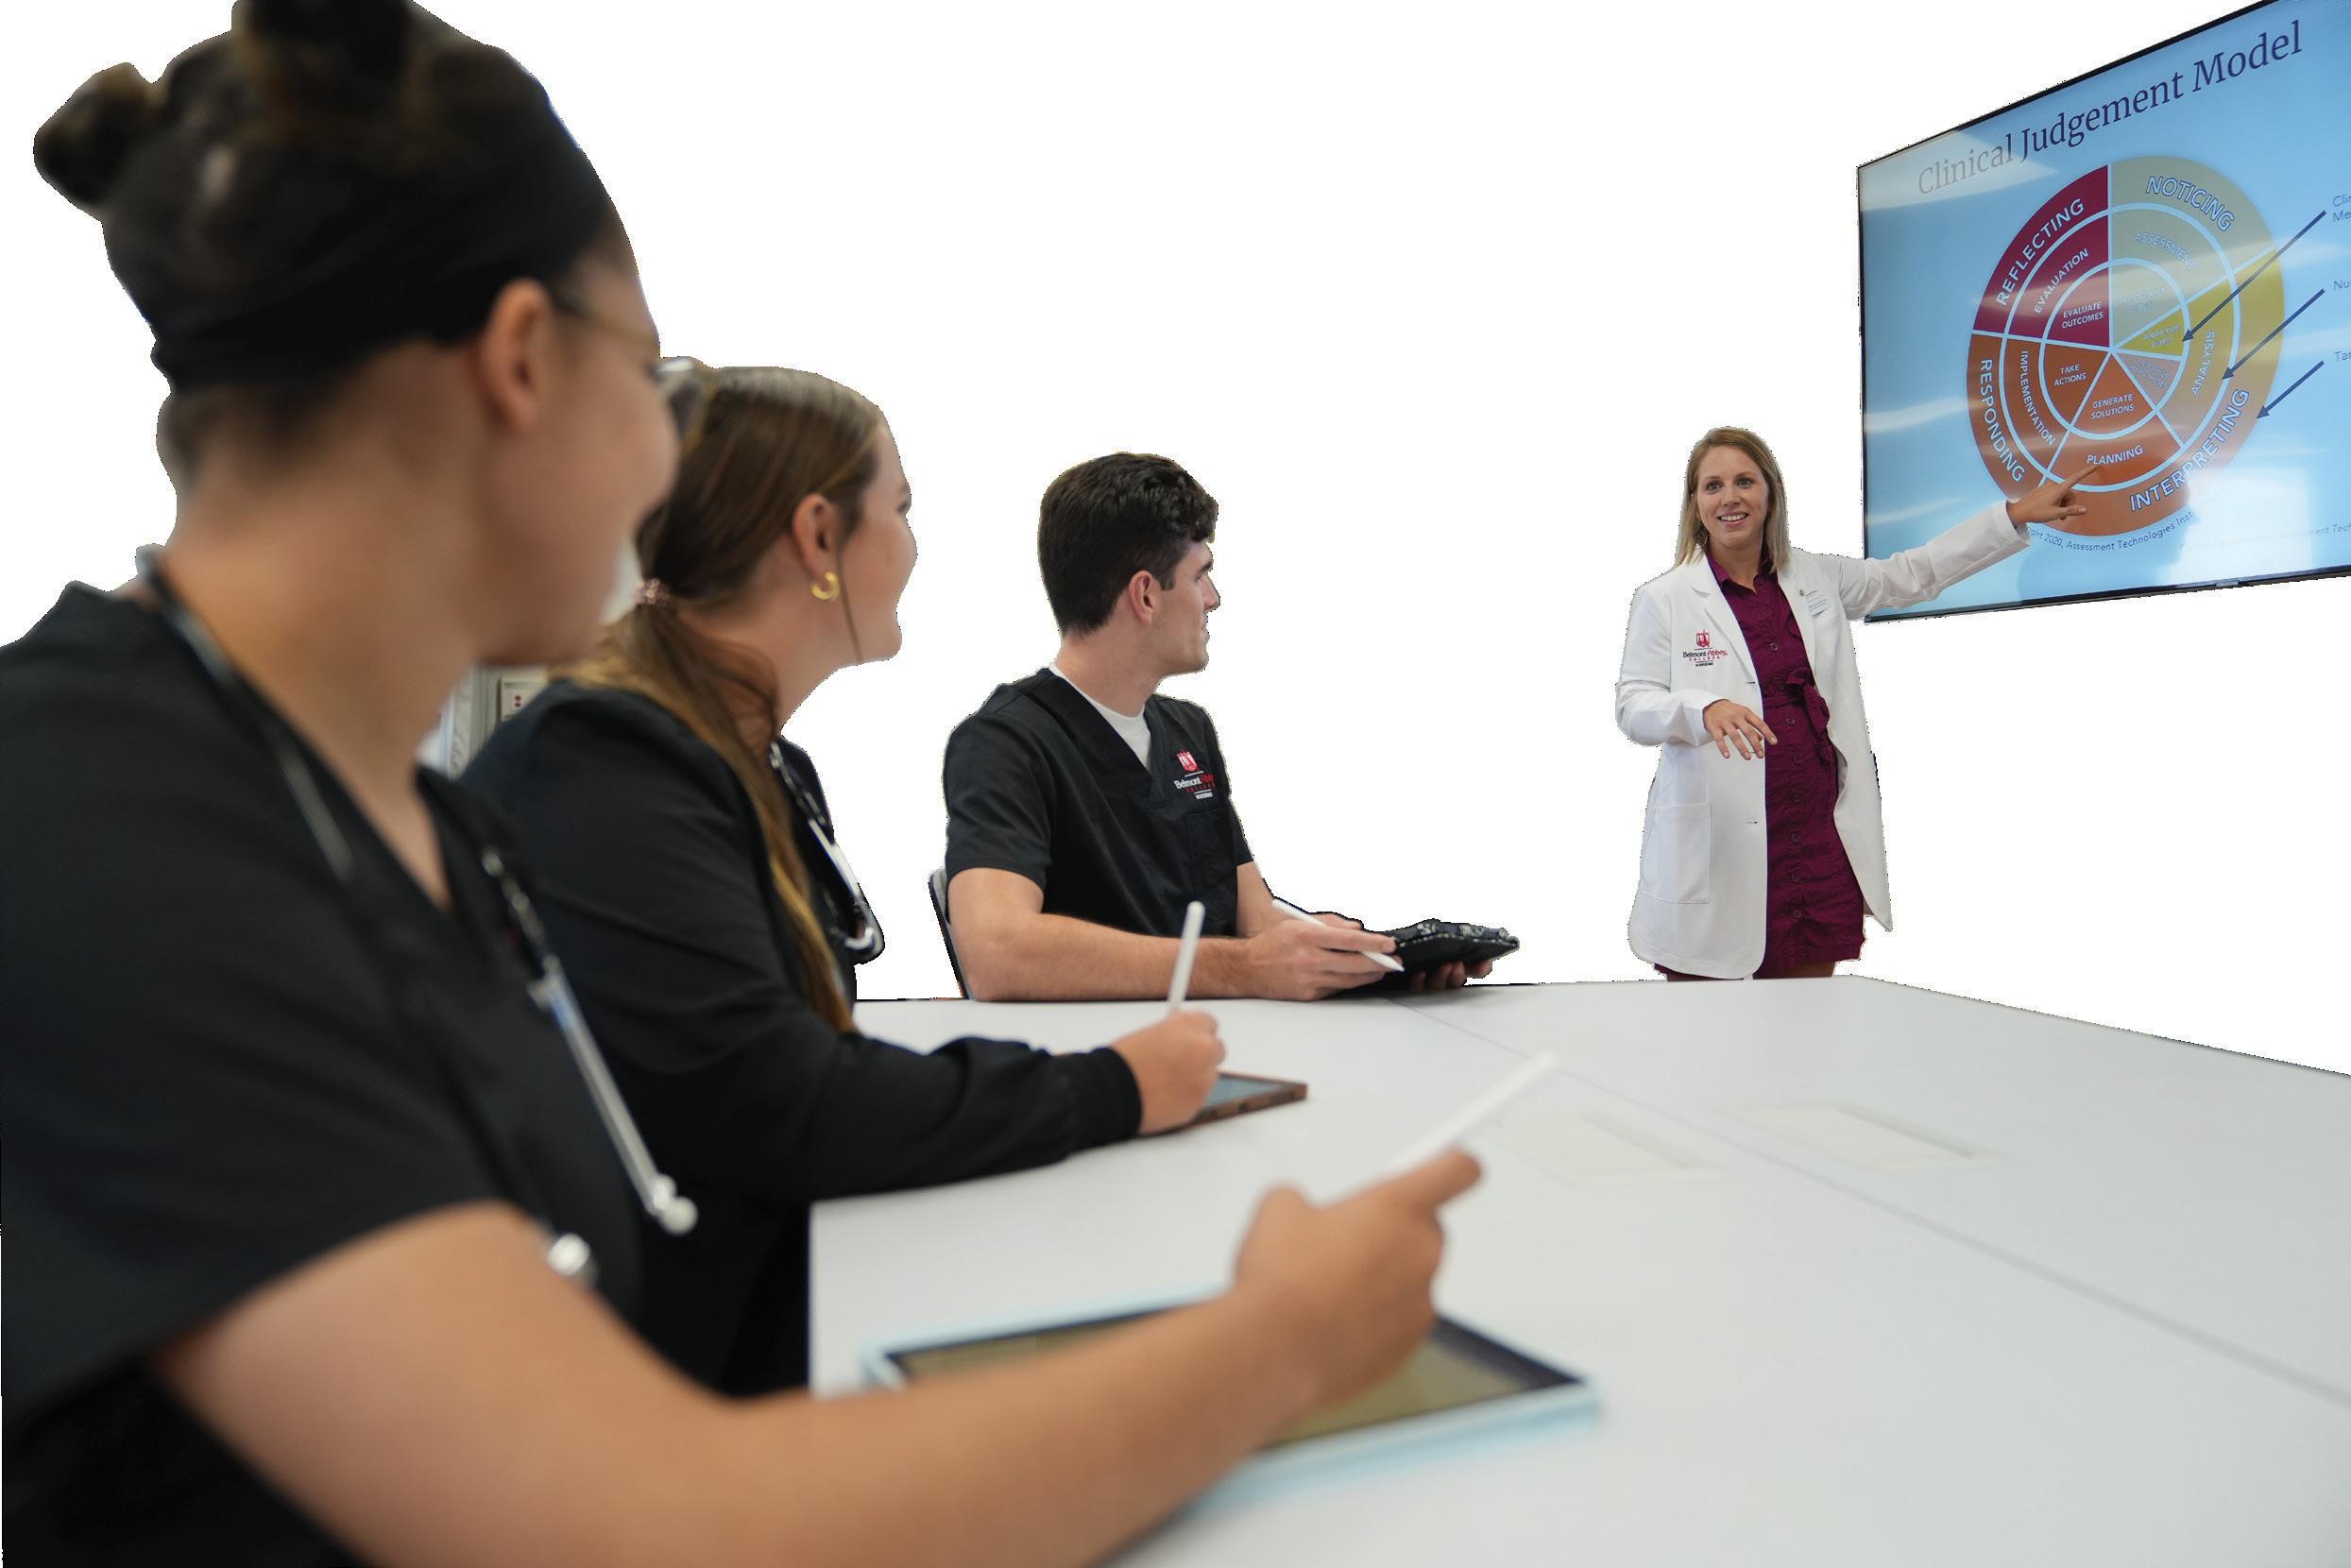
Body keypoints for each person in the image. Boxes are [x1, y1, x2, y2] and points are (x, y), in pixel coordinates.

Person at [0, 6, 1479, 1564]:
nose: (667, 465)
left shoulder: (386, 814)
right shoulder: (116, 826)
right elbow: (639, 1519)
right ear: (519, 363)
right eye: (644, 382)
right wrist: (1280, 1341)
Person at [463, 365, 1227, 1395]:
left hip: (777, 1273)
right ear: (819, 537)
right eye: (899, 508)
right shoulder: (605, 765)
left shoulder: (767, 767)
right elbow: (784, 1099)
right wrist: (1114, 1088)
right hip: (650, 1376)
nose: (912, 544)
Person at [943, 452, 1491, 1000]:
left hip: (1220, 1033)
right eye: (1200, 575)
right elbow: (996, 953)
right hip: (1111, 1050)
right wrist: (1243, 968)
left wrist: (1357, 955)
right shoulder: (1005, 745)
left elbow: (1255, 922)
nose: (1213, 599)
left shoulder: (1188, 731)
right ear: (1146, 595)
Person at [1614, 427, 2090, 980]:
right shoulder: (1665, 598)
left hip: (1814, 834)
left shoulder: (1816, 576)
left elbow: (1911, 575)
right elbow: (1634, 704)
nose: (1730, 498)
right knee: (1709, 1020)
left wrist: (2012, 516)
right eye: (1712, 486)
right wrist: (1701, 710)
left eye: (1745, 481)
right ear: (1695, 503)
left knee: (1812, 1016)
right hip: (1720, 842)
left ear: (1771, 492)